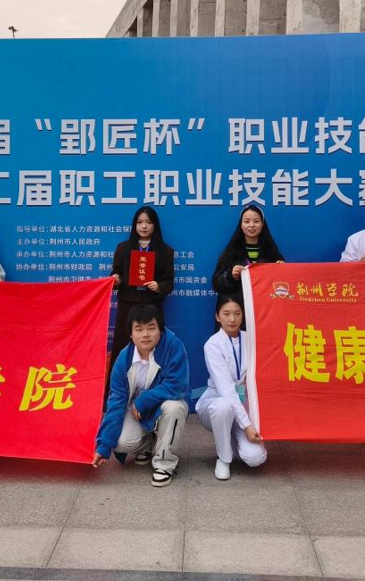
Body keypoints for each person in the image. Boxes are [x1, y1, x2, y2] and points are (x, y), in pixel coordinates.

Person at [92, 303, 189, 487]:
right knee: (119, 443)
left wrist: (144, 400)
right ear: (131, 334)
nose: (145, 334)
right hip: (137, 412)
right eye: (139, 329)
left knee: (175, 407)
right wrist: (103, 447)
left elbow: (178, 385)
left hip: (164, 404)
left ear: (160, 330)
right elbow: (116, 402)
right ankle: (150, 445)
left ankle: (164, 463)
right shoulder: (123, 360)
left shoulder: (173, 346)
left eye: (151, 328)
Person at [196, 295, 267, 480]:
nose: (232, 319)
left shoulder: (251, 339)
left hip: (243, 405)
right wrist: (247, 426)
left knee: (256, 458)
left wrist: (249, 421)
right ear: (217, 317)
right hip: (215, 405)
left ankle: (230, 442)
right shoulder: (213, 344)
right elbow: (226, 389)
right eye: (226, 314)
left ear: (243, 315)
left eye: (237, 313)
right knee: (223, 406)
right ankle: (223, 458)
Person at [109, 206, 175, 372]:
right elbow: (115, 273)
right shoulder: (123, 248)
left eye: (148, 222)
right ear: (134, 225)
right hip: (127, 303)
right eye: (139, 222)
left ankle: (155, 384)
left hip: (152, 303)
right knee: (123, 345)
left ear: (155, 225)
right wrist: (116, 280)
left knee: (153, 345)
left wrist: (159, 287)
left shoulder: (166, 251)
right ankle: (118, 385)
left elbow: (169, 282)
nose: (144, 226)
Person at [212, 205, 285, 295]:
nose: (251, 225)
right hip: (238, 303)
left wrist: (282, 270)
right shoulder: (230, 253)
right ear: (241, 225)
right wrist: (231, 276)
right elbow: (216, 284)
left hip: (265, 302)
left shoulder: (272, 252)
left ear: (262, 224)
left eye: (256, 221)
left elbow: (283, 284)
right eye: (247, 221)